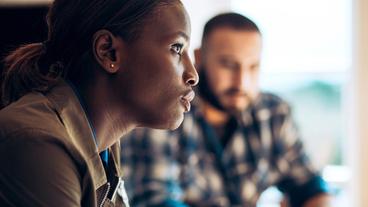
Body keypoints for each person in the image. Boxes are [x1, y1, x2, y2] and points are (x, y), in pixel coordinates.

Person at [121, 13, 331, 207]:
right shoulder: (161, 114)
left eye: (253, 67)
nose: (241, 81)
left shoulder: (273, 113)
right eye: (229, 65)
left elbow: (310, 187)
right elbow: (155, 201)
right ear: (199, 58)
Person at [0, 0, 198, 206]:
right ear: (108, 51)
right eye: (176, 48)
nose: (193, 75)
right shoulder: (36, 143)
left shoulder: (106, 149)